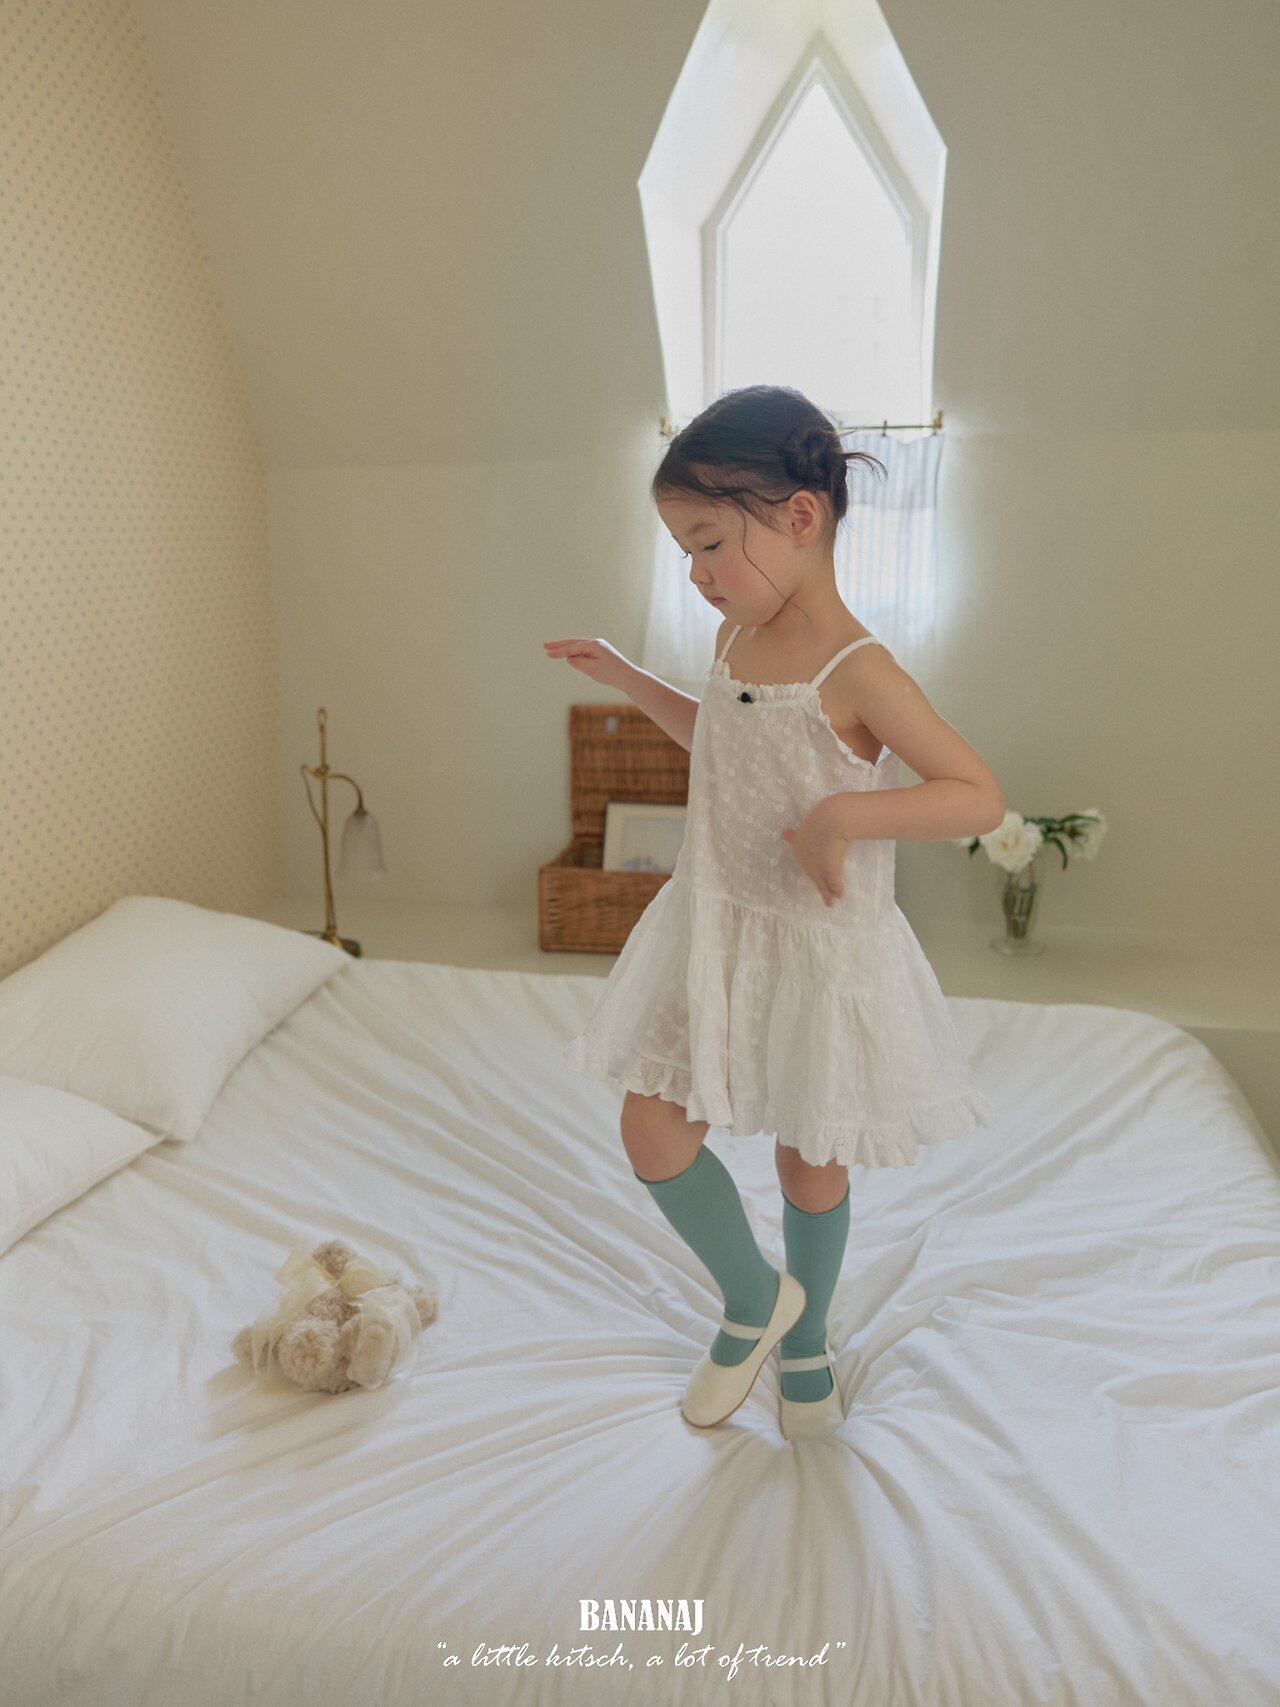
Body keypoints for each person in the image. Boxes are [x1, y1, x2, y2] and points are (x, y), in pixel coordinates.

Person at [544, 384, 1002, 1439]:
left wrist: (843, 813)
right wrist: (627, 676)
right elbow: (721, 738)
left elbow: (975, 795)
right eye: (684, 553)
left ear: (799, 518)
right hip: (715, 925)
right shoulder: (733, 642)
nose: (697, 575)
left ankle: (808, 1341)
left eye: (709, 545)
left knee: (810, 1152)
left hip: (815, 948)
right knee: (651, 1127)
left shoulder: (859, 669)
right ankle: (755, 1299)